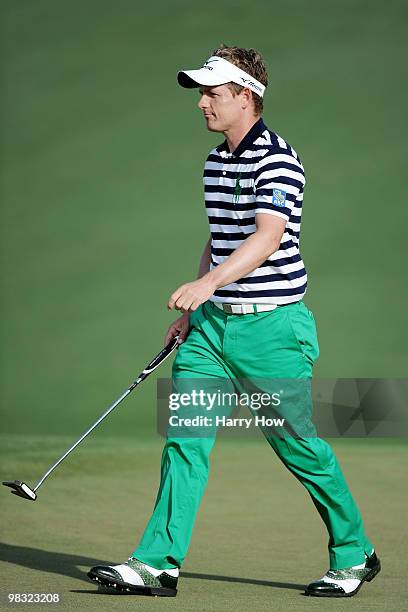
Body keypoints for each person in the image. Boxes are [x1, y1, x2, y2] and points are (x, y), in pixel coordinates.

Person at [88, 44, 380, 598]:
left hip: (273, 331)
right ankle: (156, 563)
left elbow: (267, 237)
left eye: (212, 93)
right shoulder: (216, 162)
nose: (202, 103)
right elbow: (222, 236)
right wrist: (199, 303)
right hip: (213, 332)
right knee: (186, 437)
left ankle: (354, 551)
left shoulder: (279, 160)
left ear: (246, 97)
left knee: (296, 444)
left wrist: (206, 285)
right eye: (202, 94)